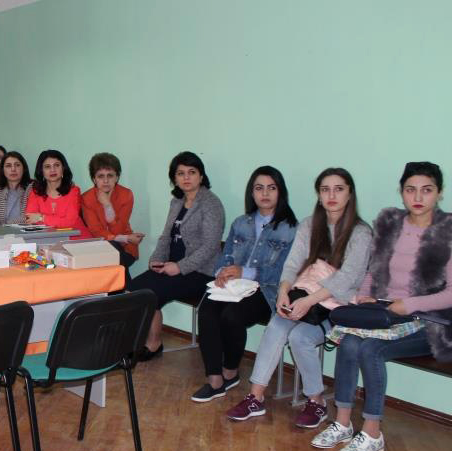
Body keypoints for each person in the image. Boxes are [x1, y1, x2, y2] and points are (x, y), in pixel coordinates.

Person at [311, 162, 451, 451]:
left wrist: (408, 304)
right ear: (402, 193)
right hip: (386, 312)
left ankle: (373, 431)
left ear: (439, 194)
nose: (418, 197)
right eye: (410, 189)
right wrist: (363, 296)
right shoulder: (391, 225)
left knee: (371, 349)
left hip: (431, 321)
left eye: (427, 190)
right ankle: (343, 423)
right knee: (349, 342)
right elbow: (374, 272)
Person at [227, 168, 371, 427]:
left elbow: (347, 279)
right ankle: (255, 397)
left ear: (350, 194)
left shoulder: (360, 233)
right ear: (318, 195)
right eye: (325, 189)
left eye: (339, 189)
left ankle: (316, 401)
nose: (331, 195)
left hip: (337, 308)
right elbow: (292, 266)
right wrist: (283, 291)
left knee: (299, 337)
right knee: (277, 323)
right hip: (304, 298)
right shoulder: (309, 225)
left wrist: (309, 300)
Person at [190, 166, 298, 402]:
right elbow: (226, 255)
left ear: (280, 192)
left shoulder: (290, 229)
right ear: (252, 193)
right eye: (259, 188)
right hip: (233, 285)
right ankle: (215, 380)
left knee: (232, 316)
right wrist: (222, 273)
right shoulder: (241, 222)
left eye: (271, 188)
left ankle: (231, 371)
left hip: (266, 291)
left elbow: (283, 272)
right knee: (207, 309)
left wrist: (244, 272)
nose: (265, 193)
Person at [130, 151, 225, 360]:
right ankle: (146, 340)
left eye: (192, 172)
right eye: (180, 173)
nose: (186, 177)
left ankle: (153, 344)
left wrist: (179, 267)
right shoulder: (177, 202)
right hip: (170, 266)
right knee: (135, 288)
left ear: (201, 176)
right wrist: (156, 259)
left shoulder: (211, 204)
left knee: (150, 292)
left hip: (200, 272)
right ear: (174, 178)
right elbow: (166, 237)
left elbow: (210, 246)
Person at [81, 152, 143, 272]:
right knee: (111, 251)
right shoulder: (86, 198)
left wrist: (108, 206)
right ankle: (127, 290)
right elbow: (96, 232)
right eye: (100, 176)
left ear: (117, 177)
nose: (105, 181)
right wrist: (125, 238)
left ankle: (125, 289)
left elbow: (118, 230)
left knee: (113, 250)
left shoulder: (126, 195)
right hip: (101, 247)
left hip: (126, 248)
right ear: (94, 179)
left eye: (110, 175)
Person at [25, 149, 89, 234]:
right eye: (47, 167)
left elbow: (70, 222)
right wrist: (59, 221)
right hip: (47, 239)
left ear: (63, 168)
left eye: (57, 165)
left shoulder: (73, 191)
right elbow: (31, 219)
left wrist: (42, 218)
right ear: (41, 171)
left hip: (76, 238)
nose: (52, 170)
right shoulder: (36, 192)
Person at [0, 151, 31, 226]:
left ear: (24, 168)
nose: (13, 169)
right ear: (3, 170)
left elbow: (30, 217)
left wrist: (6, 226)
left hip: (28, 235)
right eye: (8, 166)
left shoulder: (32, 189)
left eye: (17, 165)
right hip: (2, 235)